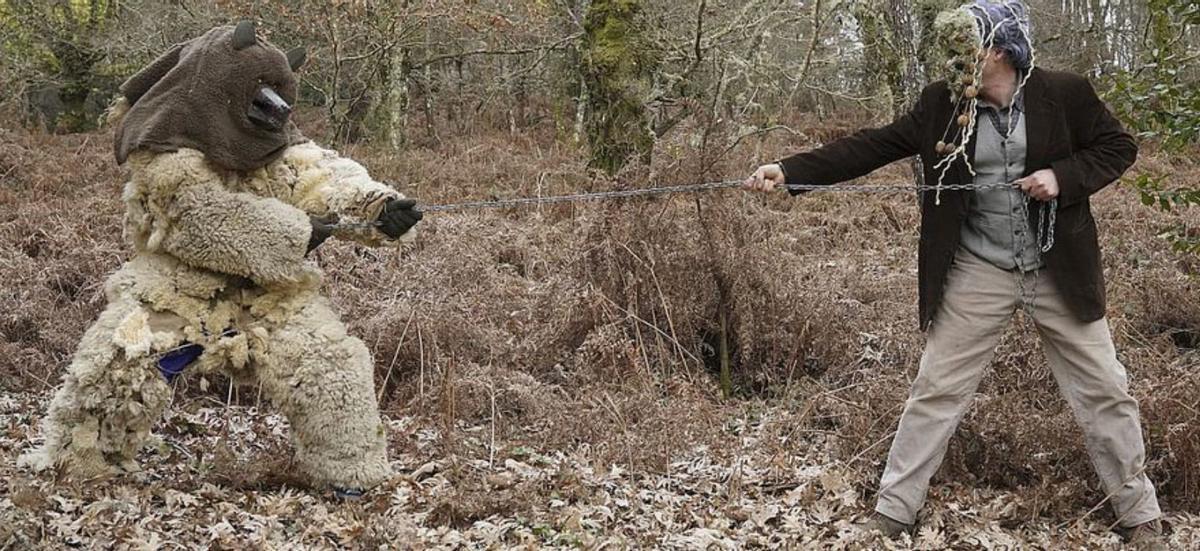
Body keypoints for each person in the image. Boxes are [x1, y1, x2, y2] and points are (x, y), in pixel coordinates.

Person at [744, 0, 1163, 545]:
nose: (957, 58)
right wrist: (792, 170)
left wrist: (1062, 177)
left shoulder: (1065, 93)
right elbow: (874, 145)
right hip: (977, 267)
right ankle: (894, 510)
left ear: (1002, 49)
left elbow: (1118, 146)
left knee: (1107, 389)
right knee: (936, 388)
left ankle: (1139, 514)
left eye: (971, 46)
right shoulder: (941, 103)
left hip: (1056, 265)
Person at [20, 21, 422, 499]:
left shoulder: (278, 142)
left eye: (280, 94)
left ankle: (353, 479)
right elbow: (196, 220)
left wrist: (378, 208)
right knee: (116, 360)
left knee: (333, 366)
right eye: (263, 94)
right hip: (178, 286)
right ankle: (79, 466)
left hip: (270, 295)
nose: (276, 108)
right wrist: (295, 233)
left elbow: (324, 179)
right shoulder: (166, 147)